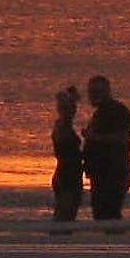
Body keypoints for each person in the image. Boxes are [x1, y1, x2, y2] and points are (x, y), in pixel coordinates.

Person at [81, 74, 130, 220]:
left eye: (98, 92)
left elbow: (121, 138)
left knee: (108, 213)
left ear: (107, 91)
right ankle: (113, 241)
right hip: (101, 173)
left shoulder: (117, 111)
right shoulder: (100, 113)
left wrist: (94, 138)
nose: (93, 96)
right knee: (101, 213)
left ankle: (117, 242)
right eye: (91, 92)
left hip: (114, 172)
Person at [48, 85, 86, 221]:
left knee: (68, 213)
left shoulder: (64, 126)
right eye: (68, 108)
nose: (73, 111)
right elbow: (67, 153)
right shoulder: (62, 127)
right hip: (67, 175)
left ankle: (60, 238)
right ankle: (58, 239)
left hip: (70, 174)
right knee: (65, 214)